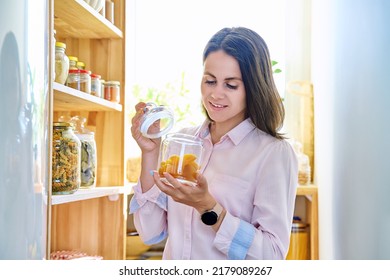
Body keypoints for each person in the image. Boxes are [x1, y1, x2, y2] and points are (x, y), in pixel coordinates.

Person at [129, 27, 298, 260]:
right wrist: (151, 151)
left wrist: (208, 206)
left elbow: (272, 254)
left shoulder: (272, 153)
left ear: (254, 87)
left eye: (230, 85)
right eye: (210, 81)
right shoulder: (183, 143)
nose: (215, 94)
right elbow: (150, 233)